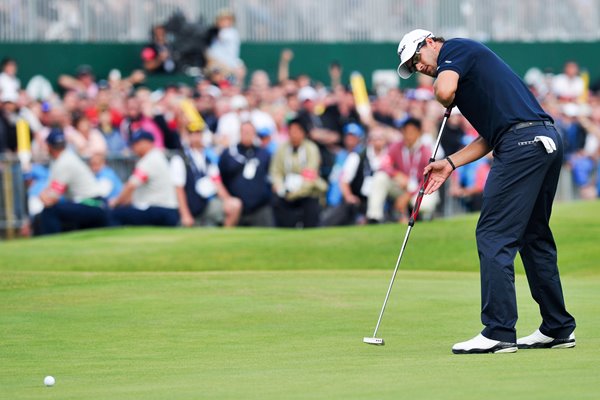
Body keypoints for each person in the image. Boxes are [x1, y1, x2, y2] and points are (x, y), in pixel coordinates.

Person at [396, 29, 576, 353]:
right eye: (412, 66)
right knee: (535, 238)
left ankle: (499, 331)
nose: (418, 68)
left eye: (417, 59)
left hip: (523, 146)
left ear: (431, 43)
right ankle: (557, 327)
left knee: (493, 235)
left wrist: (444, 94)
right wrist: (449, 163)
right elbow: (490, 136)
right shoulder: (465, 73)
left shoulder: (456, 50)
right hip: (541, 142)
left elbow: (444, 89)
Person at [37, 129, 108, 235]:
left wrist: (41, 196)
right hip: (92, 203)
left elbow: (51, 200)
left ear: (49, 146)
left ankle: (52, 244)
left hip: (92, 204)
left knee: (50, 211)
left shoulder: (64, 162)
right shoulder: (64, 159)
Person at [170, 125, 242, 227]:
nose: (196, 137)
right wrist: (185, 214)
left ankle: (225, 237)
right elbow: (179, 189)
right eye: (192, 134)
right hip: (189, 205)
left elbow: (217, 183)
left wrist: (227, 200)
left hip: (204, 204)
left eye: (199, 133)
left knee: (234, 205)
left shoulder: (208, 159)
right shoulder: (180, 159)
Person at [366, 118, 434, 223]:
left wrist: (408, 195)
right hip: (402, 186)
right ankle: (374, 217)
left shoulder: (426, 151)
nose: (409, 136)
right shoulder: (396, 147)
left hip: (420, 189)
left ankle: (421, 217)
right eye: (406, 132)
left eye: (412, 132)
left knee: (425, 205)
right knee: (380, 177)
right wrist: (396, 174)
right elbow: (383, 165)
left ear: (419, 133)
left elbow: (428, 179)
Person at [110, 131, 179, 226]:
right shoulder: (157, 156)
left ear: (147, 143)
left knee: (115, 215)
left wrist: (116, 202)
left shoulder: (149, 160)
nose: (134, 147)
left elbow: (131, 186)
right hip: (168, 210)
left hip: (159, 209)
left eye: (137, 143)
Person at [270, 118, 327, 228]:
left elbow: (311, 173)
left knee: (311, 209)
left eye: (297, 131)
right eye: (291, 131)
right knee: (277, 203)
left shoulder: (311, 148)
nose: (293, 134)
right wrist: (280, 187)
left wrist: (295, 193)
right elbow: (276, 171)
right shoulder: (282, 149)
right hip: (286, 192)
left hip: (307, 192)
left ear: (303, 132)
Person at [219, 121, 273, 226]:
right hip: (236, 208)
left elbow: (270, 176)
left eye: (249, 131)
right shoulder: (230, 153)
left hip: (260, 207)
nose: (246, 134)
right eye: (244, 131)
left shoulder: (264, 153)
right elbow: (221, 177)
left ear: (254, 133)